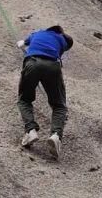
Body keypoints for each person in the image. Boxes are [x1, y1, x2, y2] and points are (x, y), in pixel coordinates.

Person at [16, 25, 73, 159]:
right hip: (53, 67)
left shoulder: (38, 33)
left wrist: (22, 45)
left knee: (24, 100)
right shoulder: (63, 40)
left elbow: (22, 43)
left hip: (32, 62)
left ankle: (30, 131)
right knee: (59, 105)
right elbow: (57, 54)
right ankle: (56, 136)